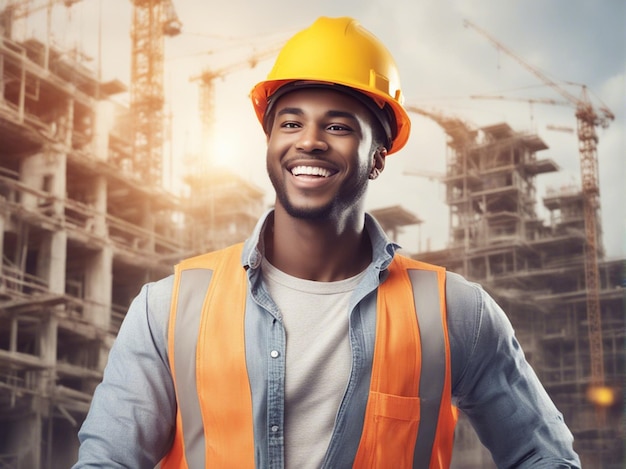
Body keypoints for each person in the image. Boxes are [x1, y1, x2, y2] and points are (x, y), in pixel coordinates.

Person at [73, 16, 581, 468]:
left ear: (379, 156)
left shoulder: (453, 313)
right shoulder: (170, 307)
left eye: (338, 126)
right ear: (270, 143)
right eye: (290, 122)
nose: (309, 140)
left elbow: (544, 456)